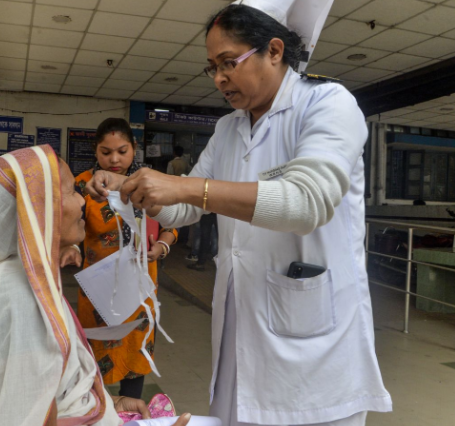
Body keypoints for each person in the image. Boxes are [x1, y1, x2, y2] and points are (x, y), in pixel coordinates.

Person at [83, 2, 392, 425]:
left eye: (229, 63)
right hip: (241, 330)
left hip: (315, 349)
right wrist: (140, 193)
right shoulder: (229, 127)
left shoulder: (327, 104)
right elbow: (185, 206)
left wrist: (183, 186)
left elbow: (307, 202)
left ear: (275, 51)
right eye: (211, 67)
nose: (219, 78)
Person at [0, 146, 191, 426]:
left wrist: (108, 402)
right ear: (37, 208)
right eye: (70, 191)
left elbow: (40, 394)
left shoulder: (16, 279)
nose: (82, 202)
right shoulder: (17, 298)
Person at [63, 118, 177, 399]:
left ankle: (131, 411)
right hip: (99, 287)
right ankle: (96, 410)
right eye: (105, 151)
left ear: (135, 148)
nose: (114, 159)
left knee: (136, 353)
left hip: (140, 286)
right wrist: (73, 249)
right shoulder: (82, 186)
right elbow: (68, 230)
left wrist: (162, 246)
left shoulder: (152, 183)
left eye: (122, 151)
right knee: (94, 355)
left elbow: (172, 224)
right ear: (95, 150)